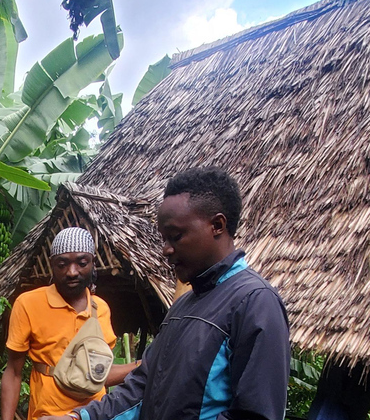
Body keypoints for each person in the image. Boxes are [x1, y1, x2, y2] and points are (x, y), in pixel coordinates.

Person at [39, 167, 291, 420]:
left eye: (176, 236)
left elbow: (256, 414)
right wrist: (79, 418)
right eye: (163, 239)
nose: (165, 250)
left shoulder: (254, 303)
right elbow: (142, 388)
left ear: (217, 225)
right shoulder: (182, 308)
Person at [1, 227, 138, 420]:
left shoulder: (101, 309)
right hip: (47, 415)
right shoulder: (28, 304)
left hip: (92, 414)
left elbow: (100, 374)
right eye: (62, 264)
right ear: (52, 266)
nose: (72, 272)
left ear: (92, 263)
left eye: (82, 263)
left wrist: (143, 365)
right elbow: (14, 372)